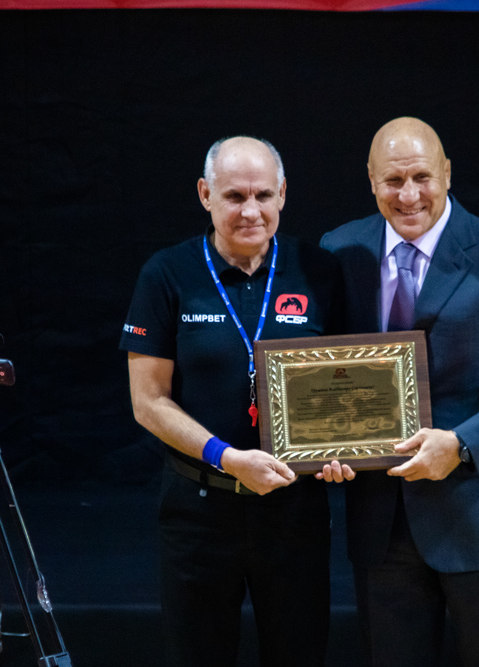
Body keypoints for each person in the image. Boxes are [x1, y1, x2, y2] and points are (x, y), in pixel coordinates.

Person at [319, 117, 479, 667]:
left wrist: (459, 444)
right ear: (371, 181)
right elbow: (323, 371)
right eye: (393, 181)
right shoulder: (338, 251)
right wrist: (322, 444)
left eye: (422, 177)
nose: (408, 195)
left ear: (448, 173)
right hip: (381, 525)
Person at [120, 135, 344, 666]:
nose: (251, 211)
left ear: (283, 194)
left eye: (263, 195)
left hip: (295, 513)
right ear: (205, 194)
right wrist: (227, 457)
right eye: (234, 196)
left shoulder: (319, 270)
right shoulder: (167, 273)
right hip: (199, 511)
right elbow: (147, 402)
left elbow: (348, 381)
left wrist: (343, 449)